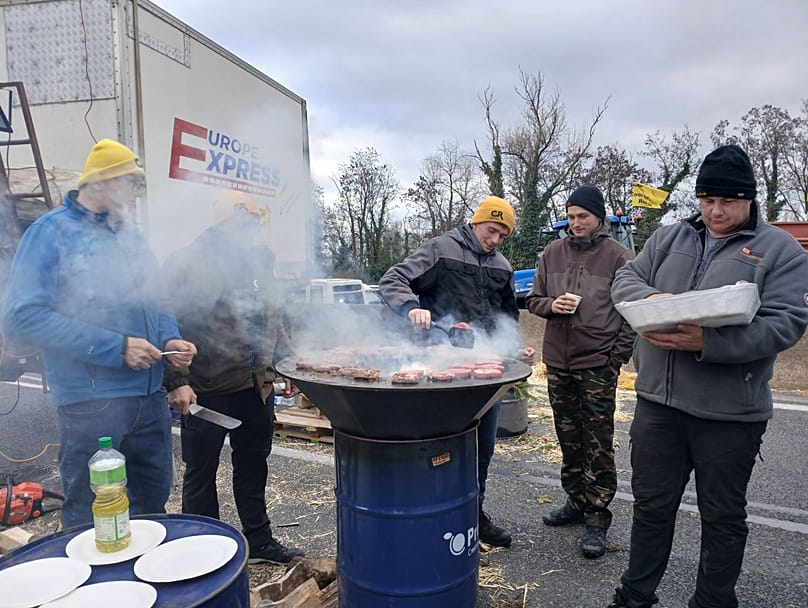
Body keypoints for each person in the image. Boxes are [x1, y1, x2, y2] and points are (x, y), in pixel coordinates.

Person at [606, 144, 808, 608]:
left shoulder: (781, 250)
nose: (716, 211)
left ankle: (713, 601)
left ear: (750, 200)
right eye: (707, 199)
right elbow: (626, 278)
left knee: (722, 516)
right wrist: (654, 299)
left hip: (729, 412)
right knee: (652, 508)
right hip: (658, 404)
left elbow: (784, 324)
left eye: (729, 202)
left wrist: (708, 343)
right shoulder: (670, 237)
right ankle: (635, 596)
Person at [0, 139, 196, 528]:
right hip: (92, 404)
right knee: (93, 512)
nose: (137, 196)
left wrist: (170, 340)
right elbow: (21, 316)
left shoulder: (130, 236)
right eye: (132, 184)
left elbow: (155, 302)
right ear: (102, 182)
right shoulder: (50, 232)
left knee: (152, 505)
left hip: (150, 400)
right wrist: (117, 348)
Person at [379, 195, 535, 548]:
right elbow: (392, 280)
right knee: (437, 449)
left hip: (484, 373)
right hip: (438, 368)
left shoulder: (503, 266)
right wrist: (411, 308)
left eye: (502, 236)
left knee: (483, 447)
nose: (494, 240)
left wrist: (513, 348)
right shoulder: (440, 249)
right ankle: (431, 517)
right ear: (477, 221)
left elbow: (506, 319)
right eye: (491, 230)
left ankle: (472, 513)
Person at [162, 190, 304, 565]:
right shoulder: (190, 262)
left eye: (254, 224)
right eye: (244, 224)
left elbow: (273, 314)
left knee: (253, 465)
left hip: (254, 387)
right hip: (208, 387)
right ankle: (204, 547)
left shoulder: (260, 258)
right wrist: (177, 381)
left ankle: (259, 542)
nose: (252, 231)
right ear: (223, 225)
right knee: (201, 471)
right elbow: (171, 325)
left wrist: (284, 364)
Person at [525, 185, 635, 559]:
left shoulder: (619, 257)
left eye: (582, 217)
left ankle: (597, 515)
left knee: (598, 441)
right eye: (571, 217)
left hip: (597, 363)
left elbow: (633, 314)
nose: (575, 224)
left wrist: (614, 359)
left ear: (599, 217)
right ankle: (575, 500)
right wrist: (552, 305)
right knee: (567, 436)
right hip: (558, 360)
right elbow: (532, 299)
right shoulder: (552, 253)